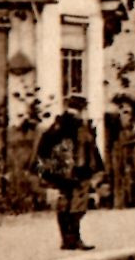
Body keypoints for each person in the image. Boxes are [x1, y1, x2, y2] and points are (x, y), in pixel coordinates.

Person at [34, 97, 104, 251]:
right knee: (77, 206)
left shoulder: (57, 125)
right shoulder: (77, 126)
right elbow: (88, 149)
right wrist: (96, 168)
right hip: (77, 173)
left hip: (62, 173)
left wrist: (48, 171)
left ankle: (67, 239)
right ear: (81, 109)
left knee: (65, 205)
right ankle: (74, 239)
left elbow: (43, 148)